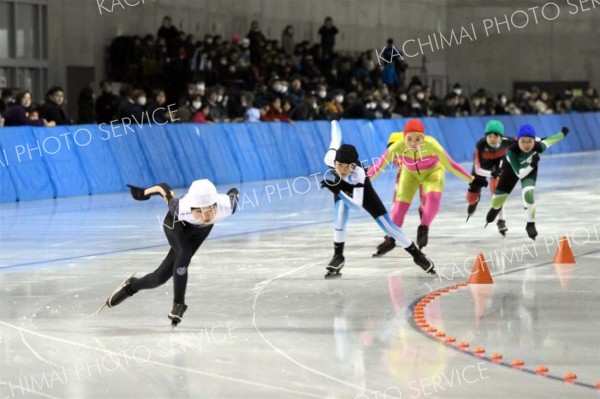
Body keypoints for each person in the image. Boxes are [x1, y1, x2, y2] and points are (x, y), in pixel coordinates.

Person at [98, 180, 240, 326]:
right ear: (191, 206)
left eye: (210, 209)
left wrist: (234, 192)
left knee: (158, 278)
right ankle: (179, 304)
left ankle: (132, 286)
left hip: (200, 232)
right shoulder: (179, 207)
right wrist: (142, 193)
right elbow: (163, 188)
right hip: (175, 224)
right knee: (183, 253)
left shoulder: (227, 206)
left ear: (217, 204)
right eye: (199, 210)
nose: (205, 216)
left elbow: (234, 192)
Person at [321, 120, 435, 278]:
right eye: (339, 165)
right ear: (334, 162)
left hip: (361, 192)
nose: (341, 170)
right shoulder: (330, 159)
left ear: (353, 166)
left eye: (346, 167)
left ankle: (417, 255)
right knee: (339, 216)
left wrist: (338, 191)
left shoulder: (359, 174)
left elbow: (356, 207)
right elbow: (335, 139)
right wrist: (334, 120)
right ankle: (338, 256)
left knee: (388, 226)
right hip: (340, 188)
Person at [367, 119, 474, 252]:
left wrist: (471, 179)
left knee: (433, 198)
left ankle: (424, 227)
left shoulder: (432, 145)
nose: (413, 143)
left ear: (423, 138)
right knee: (399, 206)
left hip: (433, 172)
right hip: (410, 173)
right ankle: (391, 238)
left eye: (418, 139)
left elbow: (451, 165)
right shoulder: (397, 147)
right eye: (409, 139)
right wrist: (363, 181)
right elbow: (379, 165)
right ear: (404, 138)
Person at [485, 124, 569, 240]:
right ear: (518, 140)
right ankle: (495, 209)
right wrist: (532, 164)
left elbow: (551, 140)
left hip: (529, 171)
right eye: (523, 141)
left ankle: (530, 224)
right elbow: (520, 174)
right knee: (496, 202)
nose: (526, 145)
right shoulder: (511, 152)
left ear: (534, 141)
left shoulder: (539, 146)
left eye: (529, 141)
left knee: (528, 194)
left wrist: (563, 133)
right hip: (511, 172)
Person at [465, 120, 516, 236]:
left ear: (501, 137)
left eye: (496, 136)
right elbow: (477, 169)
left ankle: (501, 220)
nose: (492, 139)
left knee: (497, 191)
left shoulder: (509, 142)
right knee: (471, 199)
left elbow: (529, 139)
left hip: (497, 165)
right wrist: (490, 174)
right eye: (489, 136)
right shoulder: (480, 145)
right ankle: (475, 201)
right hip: (481, 169)